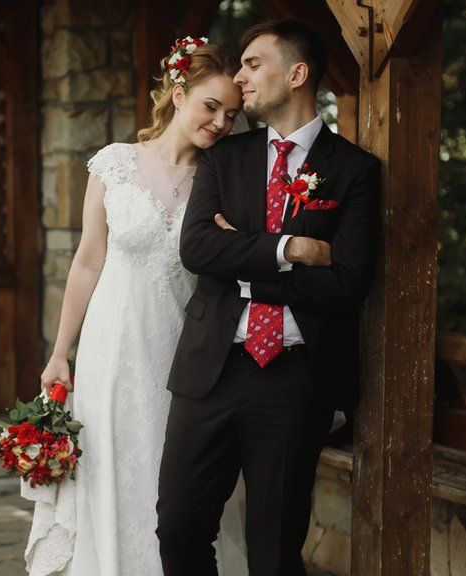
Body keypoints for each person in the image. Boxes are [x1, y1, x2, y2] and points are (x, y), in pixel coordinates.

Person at [157, 20, 383, 576]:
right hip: (210, 368)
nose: (240, 77)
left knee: (274, 552)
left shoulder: (354, 171)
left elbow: (347, 284)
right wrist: (290, 248)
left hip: (294, 381)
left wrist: (246, 258)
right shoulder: (223, 158)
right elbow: (199, 249)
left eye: (254, 64)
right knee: (179, 531)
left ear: (298, 73)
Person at [28, 39, 247, 576]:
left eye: (231, 114)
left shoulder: (224, 182)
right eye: (210, 106)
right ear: (178, 94)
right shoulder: (114, 164)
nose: (220, 122)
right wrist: (60, 353)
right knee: (110, 472)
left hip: (184, 356)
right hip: (111, 350)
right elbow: (86, 262)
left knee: (172, 486)